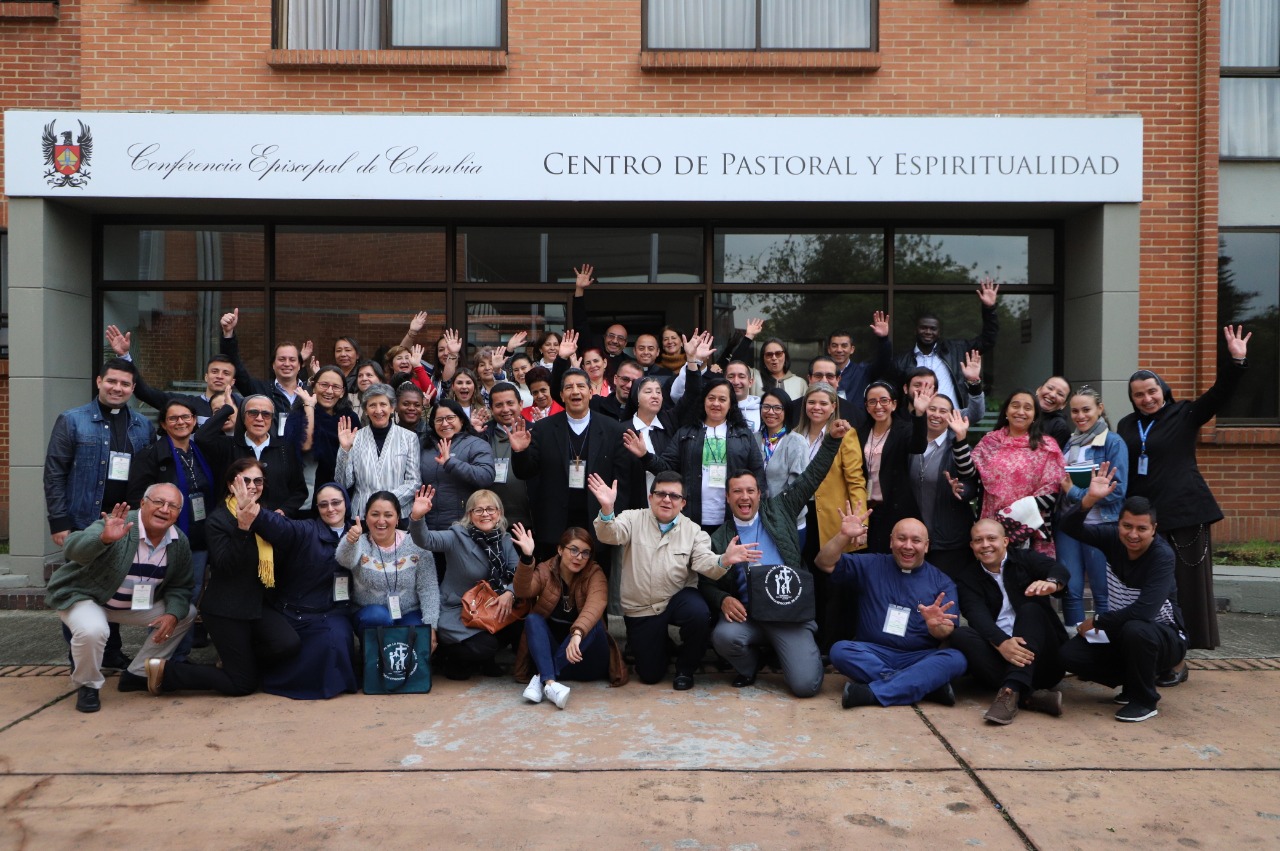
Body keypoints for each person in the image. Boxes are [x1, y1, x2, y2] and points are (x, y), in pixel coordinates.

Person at [1116, 325, 1250, 654]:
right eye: (1139, 394)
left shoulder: (1185, 413)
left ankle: (1179, 654)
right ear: (1131, 398)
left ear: (1163, 389)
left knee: (1184, 590)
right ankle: (1154, 648)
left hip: (1185, 515)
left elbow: (1220, 394)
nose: (1147, 399)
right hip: (1145, 522)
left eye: (1152, 391)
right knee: (1151, 589)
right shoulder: (1126, 425)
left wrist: (1236, 361)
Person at [702, 420, 846, 697]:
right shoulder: (719, 537)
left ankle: (794, 652)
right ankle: (750, 665)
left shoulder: (780, 509)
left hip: (788, 615)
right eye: (737, 492)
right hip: (748, 617)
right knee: (723, 637)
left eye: (750, 491)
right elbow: (705, 583)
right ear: (728, 497)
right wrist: (722, 600)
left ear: (759, 494)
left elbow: (810, 477)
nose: (744, 497)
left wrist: (831, 442)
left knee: (805, 687)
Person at [149, 460, 303, 697]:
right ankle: (167, 672)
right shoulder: (218, 520)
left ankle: (240, 664)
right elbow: (225, 565)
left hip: (257, 605)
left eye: (258, 481)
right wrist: (242, 527)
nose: (252, 486)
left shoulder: (267, 515)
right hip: (226, 608)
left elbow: (287, 546)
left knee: (288, 644)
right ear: (232, 484)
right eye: (245, 480)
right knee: (242, 686)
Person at [44, 357, 156, 671]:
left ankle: (111, 652)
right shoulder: (72, 420)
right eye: (112, 381)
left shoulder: (143, 426)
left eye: (124, 384)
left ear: (133, 388)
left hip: (126, 523)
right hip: (82, 522)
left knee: (114, 585)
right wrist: (59, 520)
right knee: (78, 591)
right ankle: (79, 658)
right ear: (99, 381)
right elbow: (54, 473)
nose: (117, 388)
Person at [590, 472, 751, 690]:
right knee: (650, 675)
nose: (667, 500)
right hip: (642, 608)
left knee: (698, 613)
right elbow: (610, 535)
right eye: (661, 494)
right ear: (650, 497)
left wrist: (724, 560)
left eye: (674, 496)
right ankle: (662, 644)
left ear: (683, 503)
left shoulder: (693, 531)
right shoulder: (632, 518)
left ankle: (686, 669)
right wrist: (608, 509)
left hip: (677, 599)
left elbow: (705, 563)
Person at [46, 485, 196, 712]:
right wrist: (103, 539)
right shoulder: (119, 522)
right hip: (87, 598)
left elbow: (180, 586)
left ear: (178, 513)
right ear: (143, 503)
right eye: (158, 502)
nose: (165, 509)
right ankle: (88, 685)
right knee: (93, 630)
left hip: (130, 605)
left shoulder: (178, 541)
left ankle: (137, 673)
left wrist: (173, 613)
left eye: (173, 506)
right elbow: (72, 549)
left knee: (185, 613)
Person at [1058, 467, 1187, 722]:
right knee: (1070, 655)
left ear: (1153, 529)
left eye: (1141, 528)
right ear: (1119, 524)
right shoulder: (1111, 538)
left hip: (1164, 636)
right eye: (1127, 526)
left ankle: (1145, 700)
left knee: (1135, 629)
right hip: (1123, 632)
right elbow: (1069, 527)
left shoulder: (1162, 556)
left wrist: (1096, 621)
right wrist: (1090, 498)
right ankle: (1131, 682)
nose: (1133, 534)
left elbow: (1144, 612)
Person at [815, 509, 966, 709]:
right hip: (873, 653)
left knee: (957, 659)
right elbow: (823, 563)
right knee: (840, 650)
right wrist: (843, 536)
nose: (908, 546)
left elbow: (946, 632)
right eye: (901, 539)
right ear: (891, 541)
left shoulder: (942, 582)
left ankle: (871, 693)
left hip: (919, 657)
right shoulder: (871, 564)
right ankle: (924, 685)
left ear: (927, 546)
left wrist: (935, 626)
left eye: (916, 540)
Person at [949, 519, 1071, 725]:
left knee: (1030, 609)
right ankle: (1026, 695)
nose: (985, 545)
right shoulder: (967, 578)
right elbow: (977, 616)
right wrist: (1002, 643)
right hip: (1002, 657)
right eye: (978, 540)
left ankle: (1011, 691)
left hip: (1043, 661)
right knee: (960, 634)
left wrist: (1051, 584)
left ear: (1005, 541)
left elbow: (1058, 569)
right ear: (972, 546)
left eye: (991, 538)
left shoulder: (1024, 559)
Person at [248, 481, 359, 699]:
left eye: (336, 503)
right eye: (323, 505)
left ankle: (335, 684)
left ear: (346, 504)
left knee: (336, 638)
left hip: (333, 611)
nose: (330, 509)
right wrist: (255, 511)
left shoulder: (358, 533)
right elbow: (279, 526)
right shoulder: (305, 529)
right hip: (295, 611)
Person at [126, 398, 217, 660]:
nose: (181, 422)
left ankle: (181, 656)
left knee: (190, 594)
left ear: (194, 421)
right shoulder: (151, 456)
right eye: (174, 418)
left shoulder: (201, 452)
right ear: (164, 424)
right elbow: (137, 499)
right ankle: (159, 657)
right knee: (164, 598)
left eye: (186, 417)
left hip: (198, 538)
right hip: (164, 540)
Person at [509, 367, 632, 560]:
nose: (575, 391)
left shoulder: (612, 429)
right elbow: (525, 472)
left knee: (595, 585)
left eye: (581, 386)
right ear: (561, 395)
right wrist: (520, 451)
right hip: (554, 522)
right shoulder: (543, 429)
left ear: (591, 392)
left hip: (597, 521)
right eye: (569, 387)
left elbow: (622, 481)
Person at [629, 360, 764, 535]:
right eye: (711, 398)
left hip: (734, 519)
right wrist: (645, 456)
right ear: (703, 401)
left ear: (730, 404)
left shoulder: (744, 435)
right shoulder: (686, 433)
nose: (716, 403)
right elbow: (666, 468)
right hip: (691, 519)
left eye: (722, 399)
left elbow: (758, 473)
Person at [409, 487, 524, 680]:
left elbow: (519, 574)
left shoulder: (504, 539)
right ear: (469, 515)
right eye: (478, 510)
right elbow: (425, 540)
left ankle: (484, 660)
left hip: (492, 607)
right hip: (458, 610)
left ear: (499, 513)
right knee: (485, 645)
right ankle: (453, 658)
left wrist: (510, 593)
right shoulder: (457, 536)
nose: (485, 514)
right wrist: (417, 517)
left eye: (490, 509)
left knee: (519, 626)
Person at [513, 526, 628, 708]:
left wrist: (578, 634)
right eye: (573, 550)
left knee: (595, 623)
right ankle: (551, 684)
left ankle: (542, 678)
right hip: (557, 656)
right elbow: (522, 590)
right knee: (533, 620)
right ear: (560, 549)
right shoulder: (545, 570)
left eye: (585, 553)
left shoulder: (594, 573)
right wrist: (527, 558)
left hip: (587, 661)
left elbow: (595, 604)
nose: (579, 557)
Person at [1055, 385, 1128, 627]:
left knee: (1102, 591)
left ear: (1100, 409)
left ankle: (1104, 642)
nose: (1080, 416)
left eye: (1086, 409)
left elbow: (1116, 491)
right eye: (1075, 411)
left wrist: (1075, 492)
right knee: (1071, 589)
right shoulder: (1069, 442)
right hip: (1068, 525)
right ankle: (1077, 644)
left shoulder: (1113, 442)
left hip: (1100, 525)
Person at [971, 390, 1065, 557]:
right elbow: (969, 473)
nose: (1021, 412)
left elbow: (1052, 491)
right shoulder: (990, 442)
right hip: (992, 529)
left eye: (1027, 408)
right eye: (1015, 406)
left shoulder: (1047, 446)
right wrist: (959, 439)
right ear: (1006, 411)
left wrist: (1011, 517)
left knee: (1030, 579)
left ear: (1035, 414)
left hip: (1032, 530)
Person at [890, 278, 1000, 414]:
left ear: (939, 332)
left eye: (932, 328)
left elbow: (987, 340)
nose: (928, 332)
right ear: (915, 330)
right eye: (923, 328)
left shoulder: (957, 350)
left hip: (951, 423)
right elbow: (894, 394)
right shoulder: (901, 362)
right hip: (914, 424)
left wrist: (989, 309)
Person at [337, 491, 439, 634]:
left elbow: (429, 589)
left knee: (417, 633)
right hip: (370, 614)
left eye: (388, 515)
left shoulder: (417, 544)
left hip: (409, 612)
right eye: (375, 514)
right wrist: (350, 541)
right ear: (366, 518)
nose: (381, 520)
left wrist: (432, 627)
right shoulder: (358, 542)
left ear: (397, 518)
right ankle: (373, 654)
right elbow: (344, 561)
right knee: (378, 616)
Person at [196, 395, 309, 516]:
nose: (259, 418)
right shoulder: (228, 446)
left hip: (275, 525)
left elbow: (299, 491)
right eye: (253, 413)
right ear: (243, 418)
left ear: (272, 419)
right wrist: (228, 409)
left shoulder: (286, 449)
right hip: (233, 523)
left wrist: (284, 511)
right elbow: (201, 437)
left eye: (266, 414)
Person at [107, 324, 238, 425]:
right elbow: (144, 392)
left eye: (226, 373)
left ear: (233, 381)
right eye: (214, 371)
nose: (219, 376)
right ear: (205, 377)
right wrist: (124, 356)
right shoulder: (184, 403)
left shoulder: (242, 406)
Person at [909, 397, 979, 578]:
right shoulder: (909, 444)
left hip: (948, 538)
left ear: (951, 416)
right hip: (912, 537)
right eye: (932, 409)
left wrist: (960, 490)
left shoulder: (959, 446)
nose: (936, 415)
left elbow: (972, 483)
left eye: (943, 411)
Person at [335, 384, 421, 519]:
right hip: (362, 514)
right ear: (366, 410)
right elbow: (342, 483)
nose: (378, 410)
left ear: (392, 408)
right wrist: (344, 450)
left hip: (398, 513)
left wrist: (386, 503)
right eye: (372, 405)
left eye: (383, 404)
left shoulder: (409, 437)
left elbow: (414, 482)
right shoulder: (355, 437)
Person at [858, 381, 925, 554]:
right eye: (872, 402)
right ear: (866, 406)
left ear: (894, 404)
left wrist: (919, 414)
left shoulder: (903, 429)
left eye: (884, 400)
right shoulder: (860, 431)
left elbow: (918, 446)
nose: (878, 406)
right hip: (867, 507)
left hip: (895, 505)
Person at [219, 308, 311, 429]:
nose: (287, 364)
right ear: (273, 365)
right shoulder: (260, 390)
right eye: (282, 359)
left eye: (292, 360)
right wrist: (228, 334)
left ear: (299, 365)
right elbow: (235, 367)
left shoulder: (311, 392)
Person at [419, 398, 496, 530]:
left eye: (450, 418)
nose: (444, 423)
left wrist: (451, 463)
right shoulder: (424, 446)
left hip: (464, 525)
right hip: (429, 525)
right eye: (439, 420)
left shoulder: (476, 444)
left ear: (461, 419)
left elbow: (486, 476)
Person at [303, 366, 360, 496]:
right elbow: (304, 445)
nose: (329, 391)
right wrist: (309, 407)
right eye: (324, 385)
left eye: (335, 387)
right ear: (313, 387)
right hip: (308, 492)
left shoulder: (350, 418)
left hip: (344, 490)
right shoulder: (301, 414)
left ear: (342, 392)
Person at [484, 382, 533, 532]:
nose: (505, 409)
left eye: (510, 403)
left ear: (521, 404)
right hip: (489, 520)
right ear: (491, 409)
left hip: (529, 520)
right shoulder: (482, 435)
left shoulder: (537, 433)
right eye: (499, 405)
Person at [571, 263, 630, 381]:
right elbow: (580, 323)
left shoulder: (628, 363)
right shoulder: (592, 349)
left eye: (620, 338)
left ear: (625, 343)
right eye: (611, 336)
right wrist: (579, 290)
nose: (614, 341)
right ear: (604, 337)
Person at [828, 312, 893, 403]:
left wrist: (883, 339)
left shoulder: (862, 372)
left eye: (844, 346)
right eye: (834, 346)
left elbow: (883, 362)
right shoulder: (822, 375)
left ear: (852, 349)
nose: (839, 350)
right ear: (829, 349)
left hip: (855, 417)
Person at [1035, 376, 1072, 450]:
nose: (1052, 395)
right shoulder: (1023, 414)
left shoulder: (1060, 427)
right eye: (1050, 388)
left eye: (1060, 394)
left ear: (1063, 405)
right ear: (1038, 390)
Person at [724, 360, 761, 433]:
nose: (736, 382)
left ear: (750, 382)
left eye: (741, 376)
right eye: (731, 376)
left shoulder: (762, 411)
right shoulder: (716, 408)